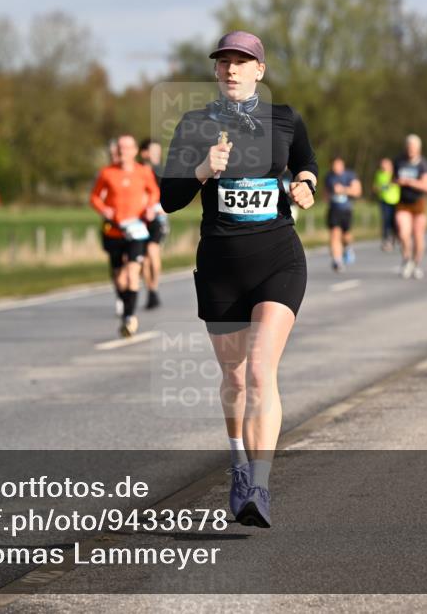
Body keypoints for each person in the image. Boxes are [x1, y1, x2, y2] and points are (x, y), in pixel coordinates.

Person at [160, 31, 317, 528]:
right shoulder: (194, 123)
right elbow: (168, 198)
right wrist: (203, 170)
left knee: (258, 373)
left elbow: (307, 163)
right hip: (221, 267)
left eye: (242, 62)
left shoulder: (284, 118)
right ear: (215, 71)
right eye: (224, 61)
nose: (231, 69)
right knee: (233, 377)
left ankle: (261, 488)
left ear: (259, 71)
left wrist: (306, 183)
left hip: (278, 258)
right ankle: (238, 463)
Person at [90, 135, 160, 337]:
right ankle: (126, 308)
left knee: (132, 275)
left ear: (135, 150)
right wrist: (104, 210)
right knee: (120, 279)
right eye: (120, 148)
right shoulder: (107, 173)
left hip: (136, 231)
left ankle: (129, 318)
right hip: (114, 231)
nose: (123, 152)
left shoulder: (143, 172)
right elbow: (94, 197)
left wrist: (149, 208)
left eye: (127, 148)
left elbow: (154, 192)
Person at [393, 134, 427, 279]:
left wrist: (410, 182)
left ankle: (416, 264)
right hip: (403, 203)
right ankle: (406, 258)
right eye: (408, 146)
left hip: (418, 203)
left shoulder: (423, 164)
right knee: (403, 233)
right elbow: (392, 179)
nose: (410, 149)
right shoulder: (399, 161)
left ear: (418, 149)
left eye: (413, 147)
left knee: (418, 236)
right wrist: (396, 181)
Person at [139, 139, 168, 309]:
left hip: (158, 218)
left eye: (158, 151)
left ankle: (154, 287)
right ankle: (150, 291)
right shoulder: (138, 171)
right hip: (139, 219)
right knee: (144, 260)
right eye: (153, 151)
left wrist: (160, 209)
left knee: (152, 251)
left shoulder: (163, 172)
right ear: (144, 153)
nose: (156, 154)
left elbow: (170, 196)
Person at [325, 156, 361, 271]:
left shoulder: (350, 175)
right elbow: (325, 193)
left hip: (346, 210)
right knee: (334, 234)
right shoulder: (329, 177)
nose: (336, 167)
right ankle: (337, 261)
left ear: (342, 165)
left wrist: (343, 190)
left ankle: (348, 247)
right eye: (334, 165)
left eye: (338, 165)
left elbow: (357, 192)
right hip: (334, 210)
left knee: (346, 236)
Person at [373, 158, 399, 251]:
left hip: (396, 200)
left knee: (395, 222)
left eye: (385, 164)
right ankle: (386, 240)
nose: (383, 166)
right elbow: (375, 187)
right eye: (382, 164)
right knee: (385, 221)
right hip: (384, 200)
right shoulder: (379, 174)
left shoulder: (395, 174)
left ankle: (396, 237)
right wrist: (379, 188)